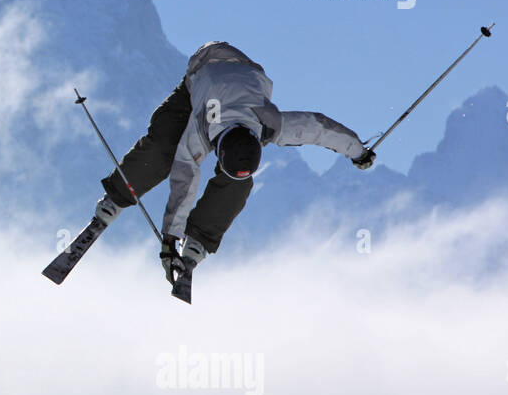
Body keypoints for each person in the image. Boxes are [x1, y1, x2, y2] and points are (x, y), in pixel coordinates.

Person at [98, 41, 375, 283]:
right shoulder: (201, 127)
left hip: (247, 77)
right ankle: (116, 198)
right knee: (164, 147)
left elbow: (318, 128)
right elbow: (185, 180)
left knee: (239, 183)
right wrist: (170, 240)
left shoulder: (271, 123)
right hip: (203, 72)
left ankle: (199, 240)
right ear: (217, 150)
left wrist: (357, 150)